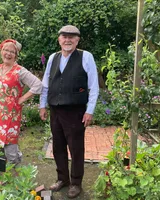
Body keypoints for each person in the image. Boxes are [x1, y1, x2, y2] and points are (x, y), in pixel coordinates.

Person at [39, 25, 99, 198]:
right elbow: (45, 84)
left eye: (72, 37)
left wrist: (90, 111)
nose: (68, 40)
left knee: (76, 148)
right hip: (55, 110)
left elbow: (93, 87)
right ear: (59, 39)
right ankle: (62, 179)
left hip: (76, 111)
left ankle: (75, 183)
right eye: (64, 36)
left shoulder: (86, 57)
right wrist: (42, 105)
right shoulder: (52, 58)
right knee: (58, 146)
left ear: (77, 40)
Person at [0, 39, 42, 166]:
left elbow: (38, 85)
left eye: (12, 51)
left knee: (10, 151)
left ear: (16, 55)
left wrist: (22, 99)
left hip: (10, 117)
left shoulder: (19, 71)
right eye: (5, 50)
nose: (8, 54)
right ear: (1, 51)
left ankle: (16, 179)